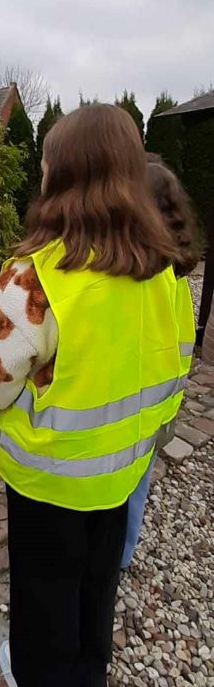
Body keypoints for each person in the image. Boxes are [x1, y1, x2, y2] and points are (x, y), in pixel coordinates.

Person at [0, 105, 195, 687]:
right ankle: (90, 683)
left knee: (45, 591)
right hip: (123, 467)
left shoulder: (39, 275)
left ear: (63, 173)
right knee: (97, 580)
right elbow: (177, 362)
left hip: (50, 477)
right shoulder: (162, 267)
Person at [121, 154, 201, 567]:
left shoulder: (146, 279)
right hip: (161, 407)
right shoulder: (175, 273)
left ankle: (116, 553)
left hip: (133, 411)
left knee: (125, 488)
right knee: (139, 484)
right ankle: (125, 550)